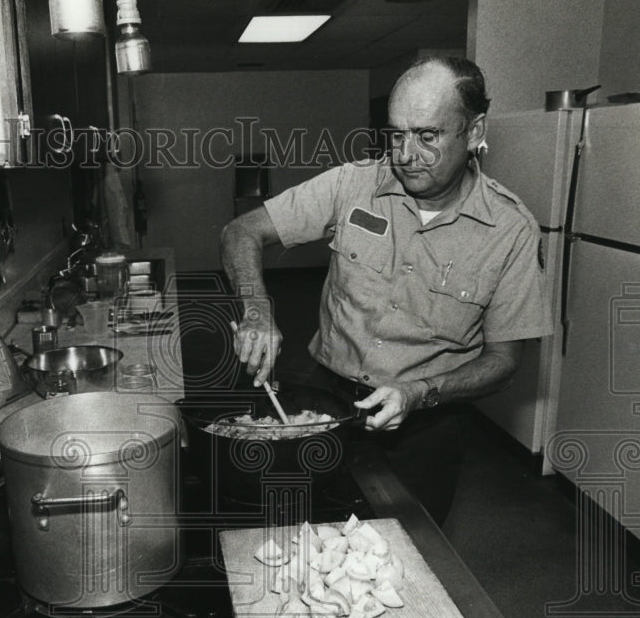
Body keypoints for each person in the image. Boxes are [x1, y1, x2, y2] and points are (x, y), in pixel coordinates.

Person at [220, 55, 553, 525]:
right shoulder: (353, 184)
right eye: (396, 134)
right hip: (326, 402)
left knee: (404, 556)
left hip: (427, 423)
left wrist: (419, 393)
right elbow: (241, 232)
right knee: (300, 536)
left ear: (475, 131)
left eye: (428, 135)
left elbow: (504, 362)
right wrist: (255, 310)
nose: (405, 154)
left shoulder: (511, 230)